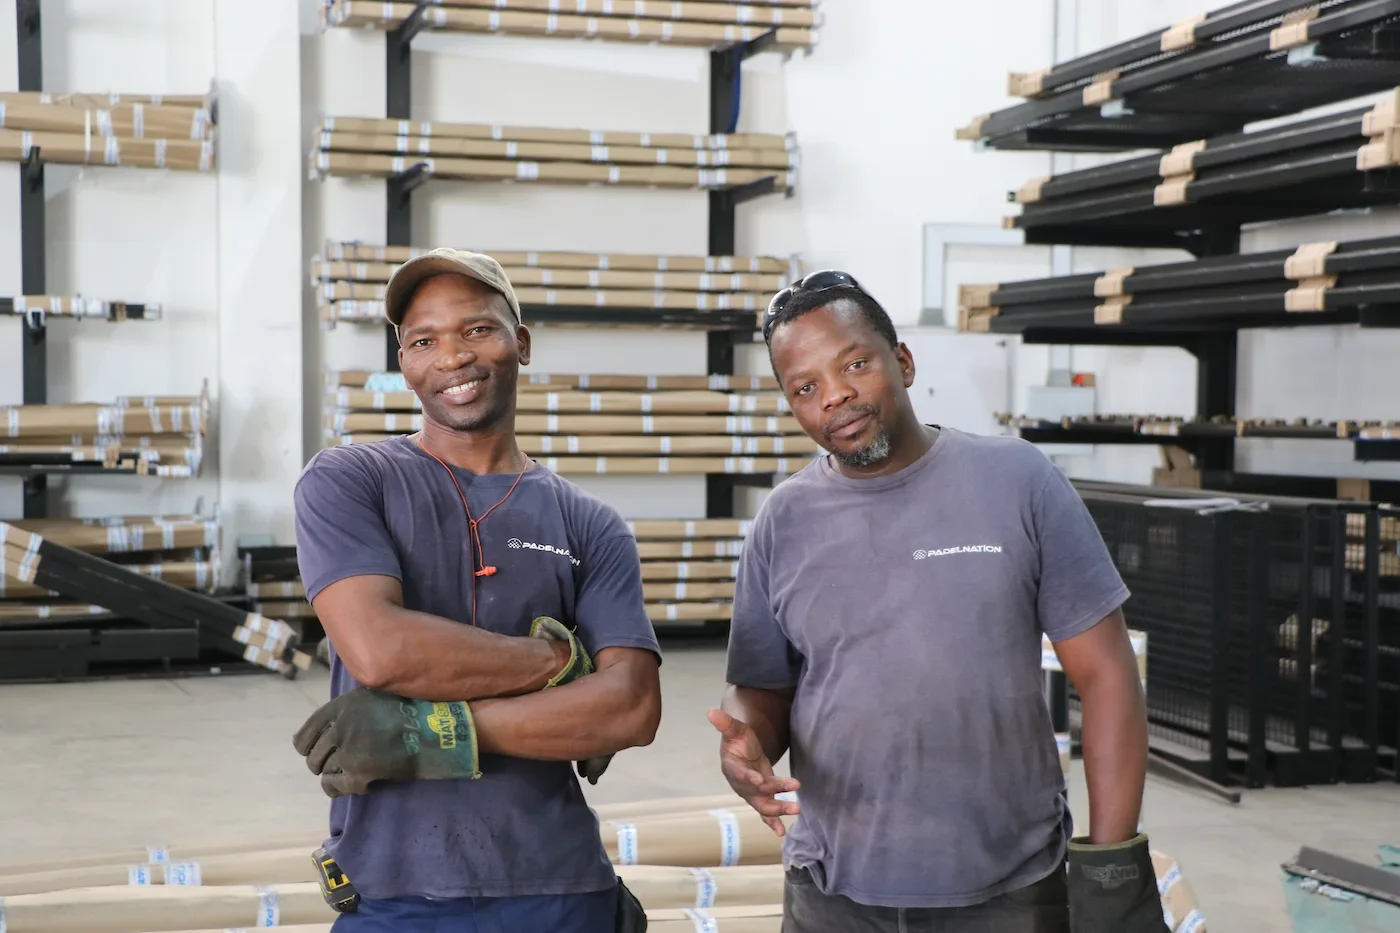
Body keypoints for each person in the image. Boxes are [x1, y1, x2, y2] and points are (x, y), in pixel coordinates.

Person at [707, 271, 1168, 933]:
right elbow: (763, 690)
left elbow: (1107, 676)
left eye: (855, 363)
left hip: (1009, 892)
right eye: (805, 387)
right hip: (832, 895)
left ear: (903, 360)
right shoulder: (783, 521)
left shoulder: (1017, 480)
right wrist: (746, 742)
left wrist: (1111, 866)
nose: (835, 395)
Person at [289, 248, 663, 933]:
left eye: (477, 330)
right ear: (403, 363)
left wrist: (433, 733)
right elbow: (381, 649)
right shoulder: (350, 480)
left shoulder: (588, 522)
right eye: (423, 340)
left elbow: (631, 708)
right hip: (393, 889)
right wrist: (563, 666)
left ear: (520, 341)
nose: (452, 357)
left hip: (558, 884)